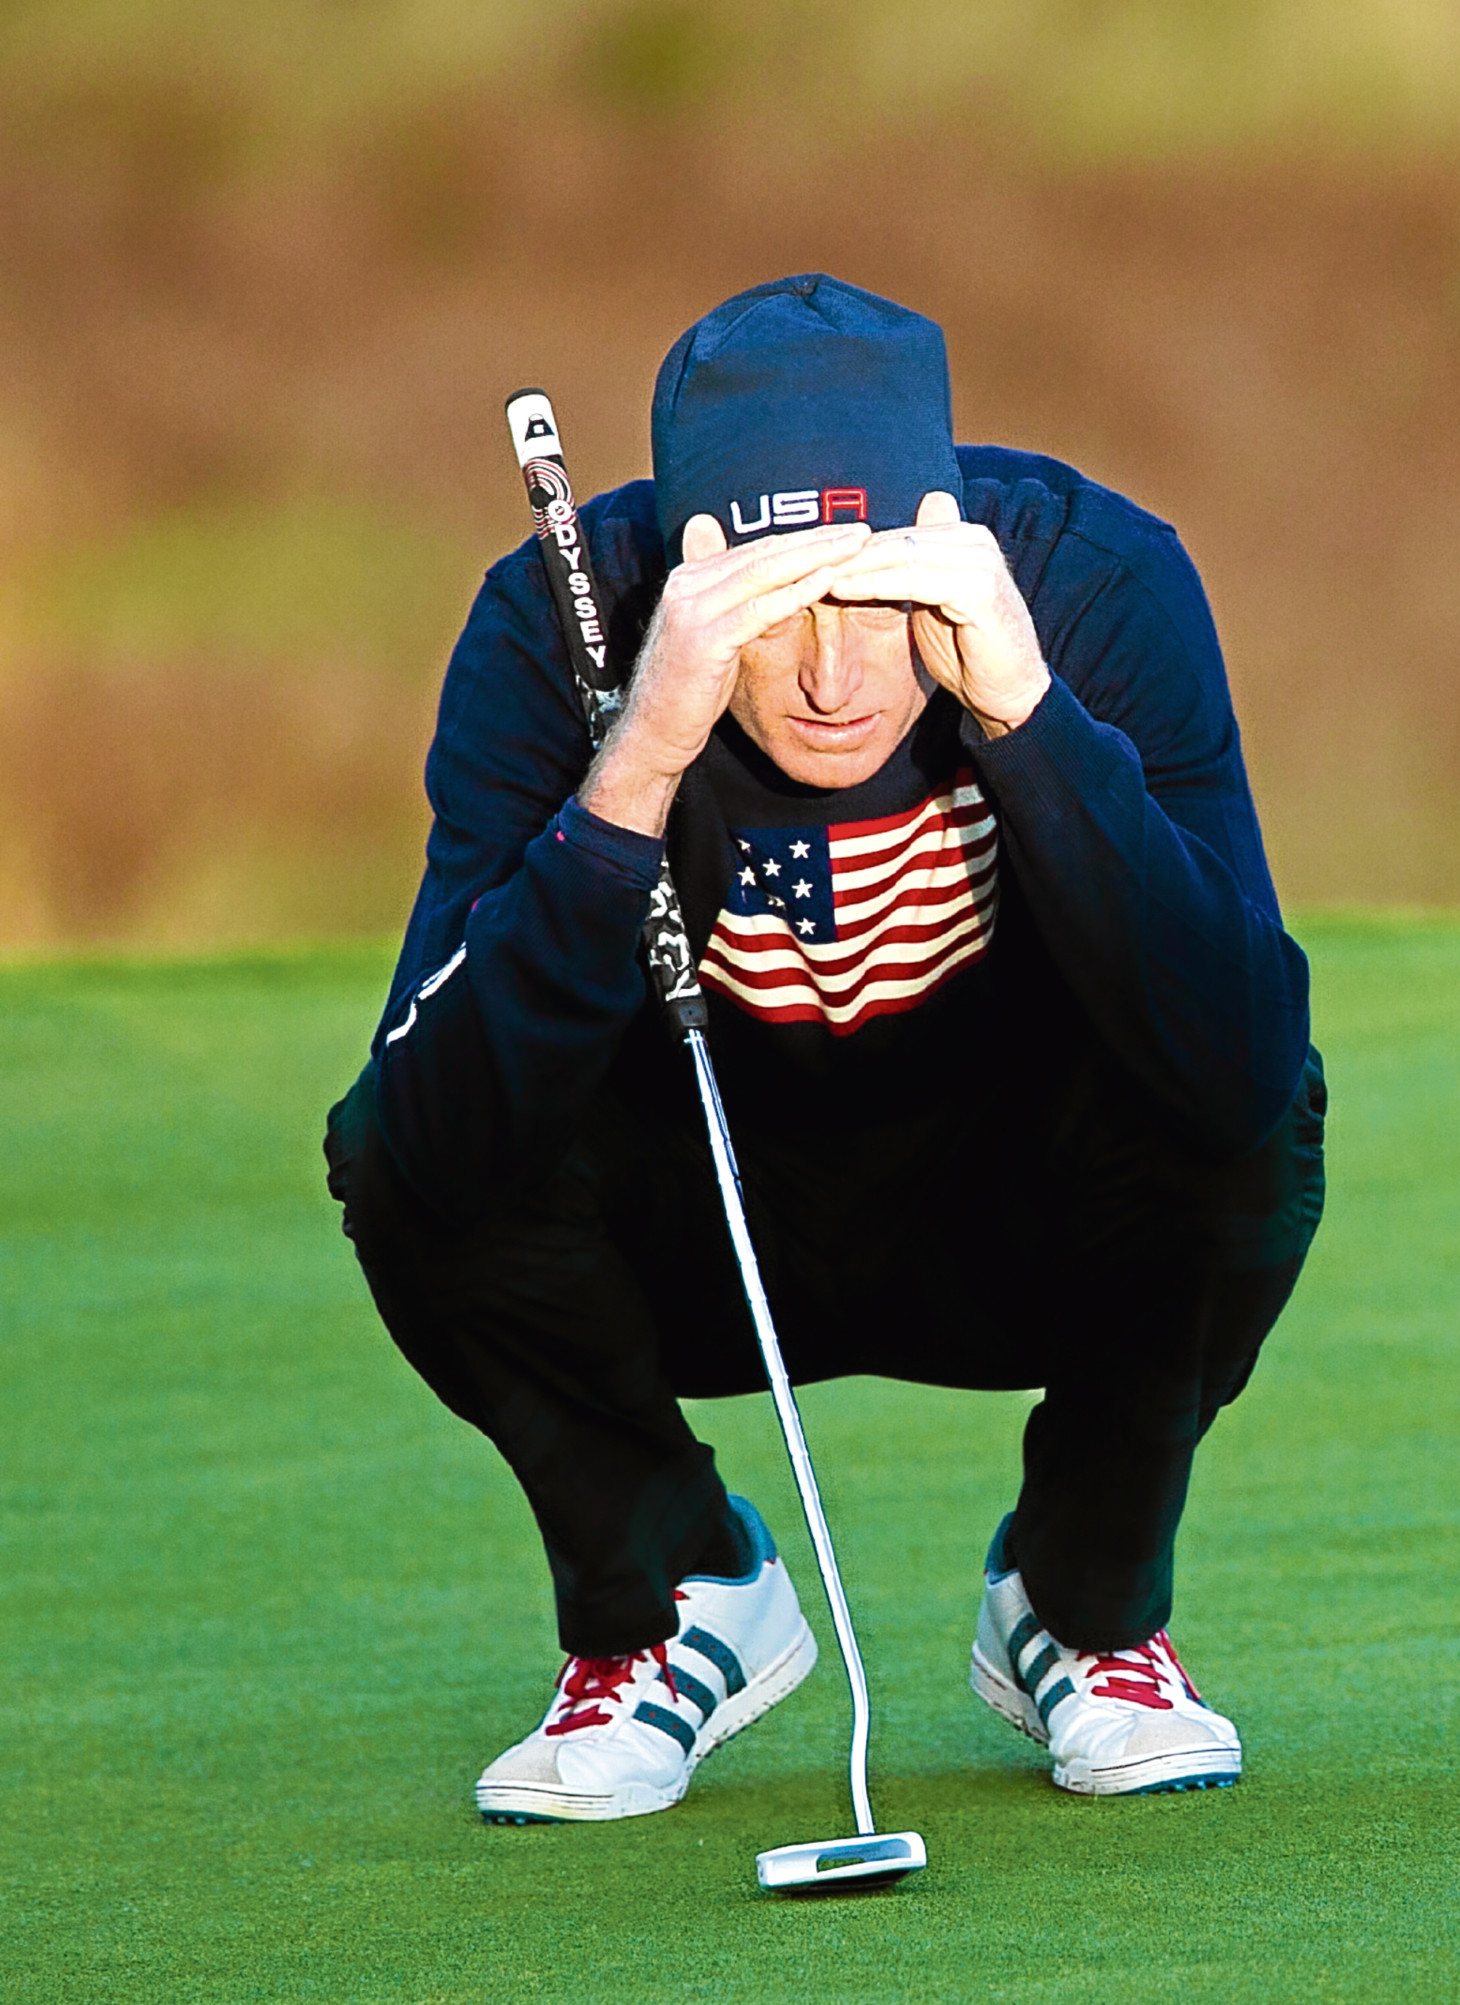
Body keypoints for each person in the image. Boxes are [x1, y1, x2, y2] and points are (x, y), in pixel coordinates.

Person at [323, 274, 1325, 1821]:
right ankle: (670, 1599)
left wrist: (1032, 719)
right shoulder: (554, 626)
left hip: (1013, 1206)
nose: (834, 676)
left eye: (871, 594)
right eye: (775, 612)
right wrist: (639, 758)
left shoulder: (1099, 583)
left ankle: (1085, 1603)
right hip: (690, 1218)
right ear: (684, 580)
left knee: (1255, 1125)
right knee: (400, 1152)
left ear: (948, 538)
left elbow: (1244, 1070)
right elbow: (431, 1136)